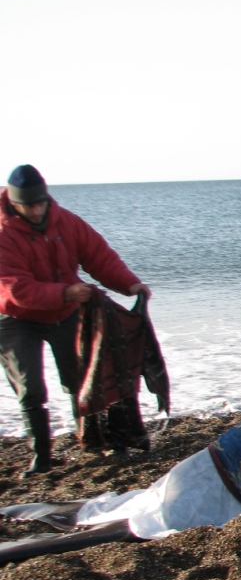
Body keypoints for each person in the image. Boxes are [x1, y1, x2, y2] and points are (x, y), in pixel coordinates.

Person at [0, 164, 151, 477]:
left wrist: (130, 284)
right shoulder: (4, 234)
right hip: (14, 317)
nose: (37, 210)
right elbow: (15, 287)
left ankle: (93, 440)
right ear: (14, 204)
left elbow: (99, 257)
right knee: (31, 390)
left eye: (41, 202)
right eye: (29, 205)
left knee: (83, 381)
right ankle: (41, 456)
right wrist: (66, 291)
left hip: (65, 313)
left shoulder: (64, 221)